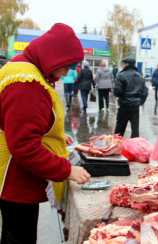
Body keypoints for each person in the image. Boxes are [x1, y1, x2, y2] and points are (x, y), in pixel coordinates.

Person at [0, 23, 91, 244]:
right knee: (19, 237)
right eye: (65, 66)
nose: (65, 73)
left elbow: (27, 123)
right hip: (14, 181)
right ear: (54, 57)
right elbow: (24, 146)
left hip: (13, 179)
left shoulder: (22, 67)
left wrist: (56, 138)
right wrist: (67, 170)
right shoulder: (27, 84)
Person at [114, 57, 148, 138]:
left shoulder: (121, 75)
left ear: (127, 64)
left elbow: (117, 92)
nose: (122, 65)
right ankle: (134, 148)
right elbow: (145, 92)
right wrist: (140, 102)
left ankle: (116, 147)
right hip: (135, 107)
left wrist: (118, 95)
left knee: (119, 131)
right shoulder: (140, 76)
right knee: (135, 131)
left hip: (124, 106)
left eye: (124, 63)